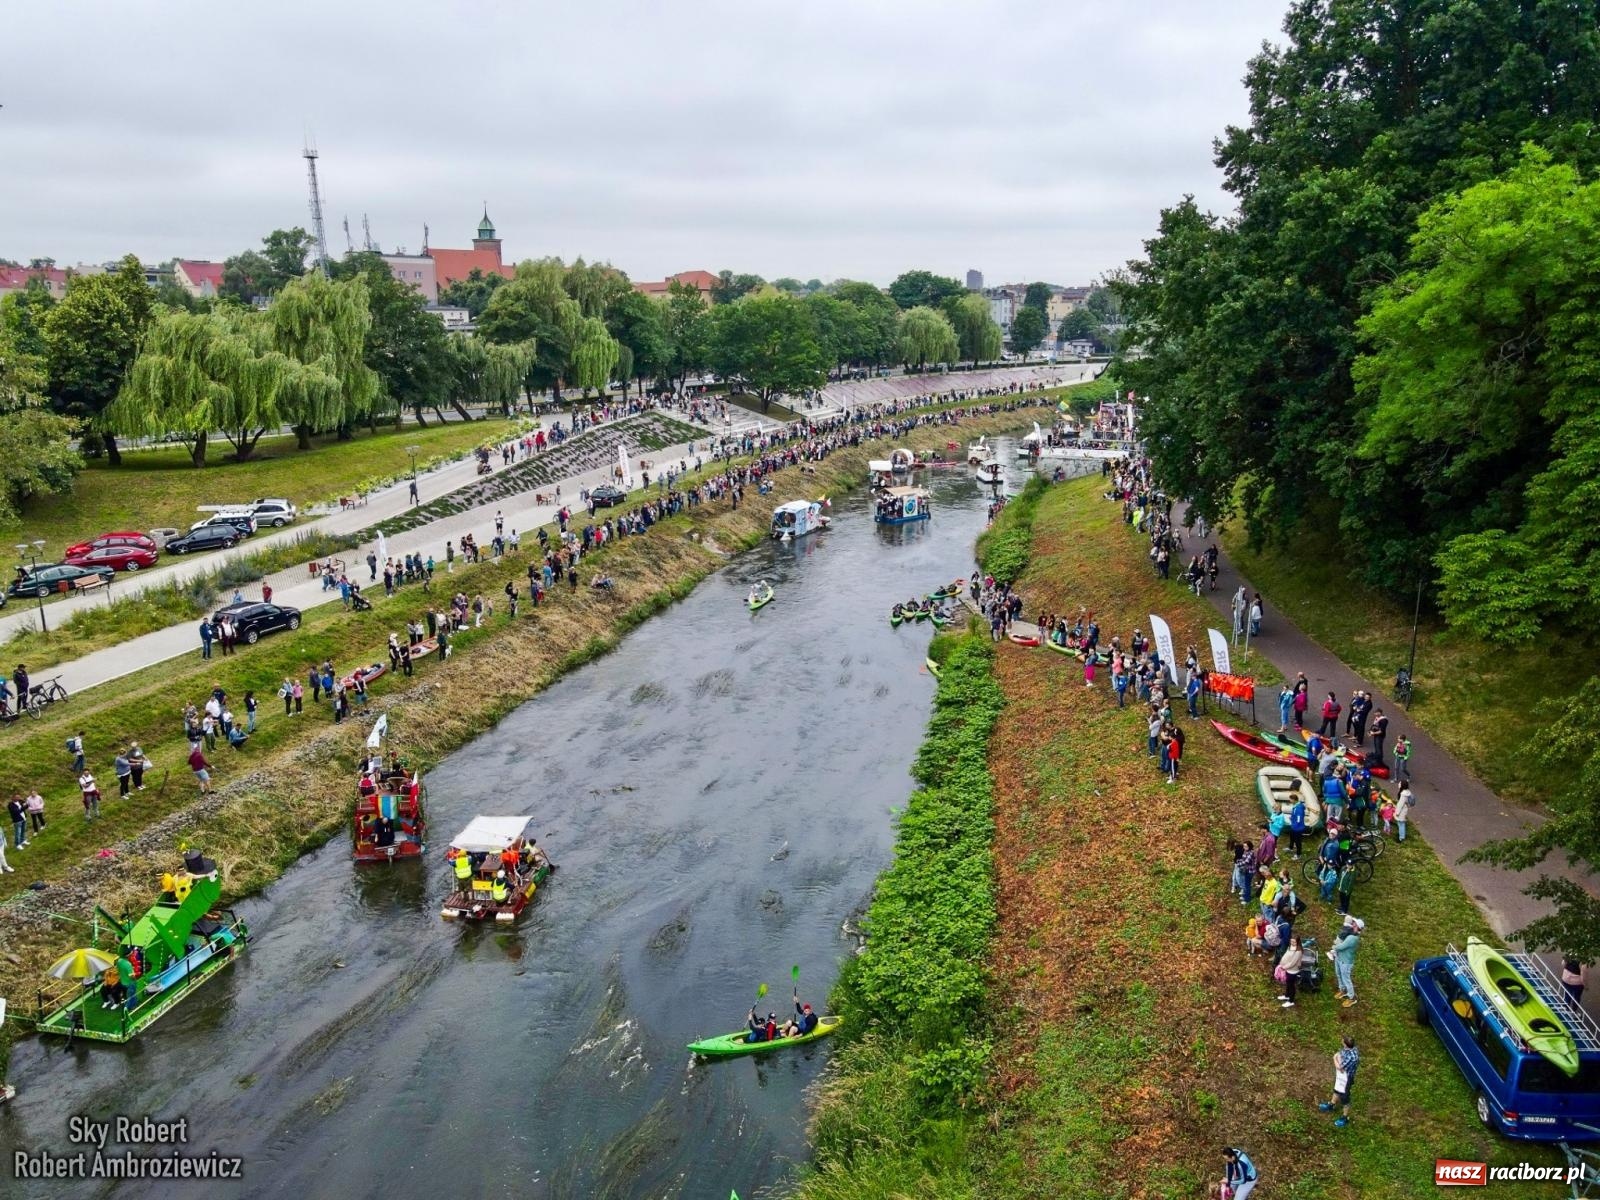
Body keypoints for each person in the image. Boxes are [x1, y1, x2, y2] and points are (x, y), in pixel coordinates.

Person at [1319, 1035, 1360, 1127]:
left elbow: (1340, 1067)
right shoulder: (1349, 1048)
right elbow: (1340, 1054)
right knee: (1337, 1089)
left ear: (1345, 1044)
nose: (1342, 1043)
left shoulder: (1352, 1057)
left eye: (1342, 1042)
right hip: (1341, 1076)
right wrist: (1339, 1058)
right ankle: (1331, 1105)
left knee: (1345, 1097)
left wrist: (1335, 1058)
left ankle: (1345, 1117)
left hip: (1346, 1078)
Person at [1331, 916, 1363, 1007]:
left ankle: (1352, 997)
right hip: (1339, 958)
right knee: (1338, 974)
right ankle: (1343, 990)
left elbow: (1341, 946)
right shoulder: (1350, 933)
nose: (1352, 924)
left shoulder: (1353, 938)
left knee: (1346, 979)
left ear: (1357, 927)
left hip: (1346, 962)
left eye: (1354, 924)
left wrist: (1334, 947)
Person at [1276, 935, 1304, 1007]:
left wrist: (1284, 967)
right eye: (1291, 941)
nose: (1292, 943)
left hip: (1292, 971)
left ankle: (1291, 1001)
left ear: (1298, 942)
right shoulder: (1290, 947)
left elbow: (1293, 962)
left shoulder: (1298, 951)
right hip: (1288, 970)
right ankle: (1287, 995)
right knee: (1288, 984)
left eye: (1294, 942)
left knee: (1291, 986)